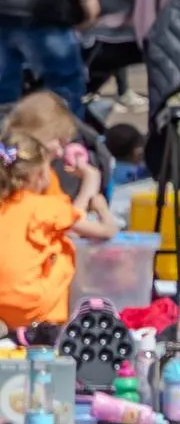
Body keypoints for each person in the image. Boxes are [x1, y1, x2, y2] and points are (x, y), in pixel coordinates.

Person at [0, 91, 107, 330]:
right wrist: (90, 183)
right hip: (30, 300)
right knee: (66, 250)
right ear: (40, 135)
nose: (60, 151)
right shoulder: (42, 181)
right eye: (58, 141)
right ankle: (52, 321)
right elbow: (71, 223)